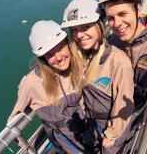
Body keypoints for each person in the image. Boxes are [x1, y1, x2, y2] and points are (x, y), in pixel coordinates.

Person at [61, 0, 135, 153]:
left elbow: (124, 106)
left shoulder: (118, 62)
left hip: (110, 128)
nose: (79, 35)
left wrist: (111, 134)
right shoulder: (81, 56)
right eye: (74, 29)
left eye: (85, 27)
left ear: (100, 26)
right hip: (93, 122)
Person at [7, 20, 88, 153]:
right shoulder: (31, 83)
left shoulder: (79, 64)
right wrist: (17, 137)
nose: (59, 57)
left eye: (61, 48)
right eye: (50, 54)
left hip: (90, 133)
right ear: (43, 57)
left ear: (68, 44)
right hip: (67, 146)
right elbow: (15, 114)